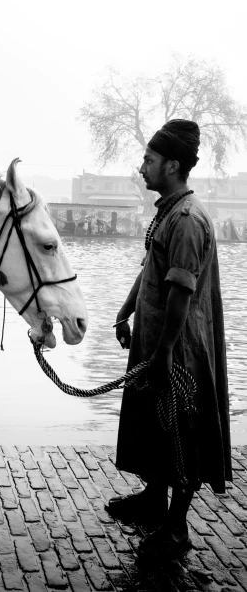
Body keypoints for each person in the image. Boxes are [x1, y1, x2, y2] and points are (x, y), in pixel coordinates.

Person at [106, 119, 231, 561]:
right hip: (154, 341)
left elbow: (181, 291)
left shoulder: (188, 219)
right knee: (155, 421)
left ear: (172, 165)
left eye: (149, 160)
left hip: (179, 351)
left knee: (183, 431)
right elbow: (150, 272)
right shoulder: (167, 211)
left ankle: (176, 528)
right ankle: (151, 499)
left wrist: (162, 353)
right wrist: (125, 312)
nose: (142, 167)